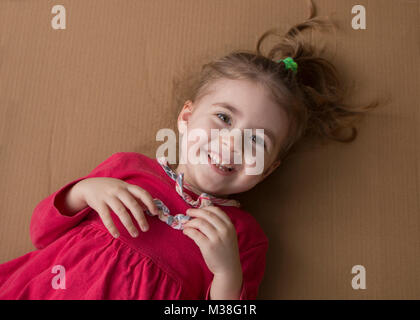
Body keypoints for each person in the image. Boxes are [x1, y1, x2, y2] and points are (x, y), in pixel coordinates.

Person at [0, 0, 378, 300]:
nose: (231, 144)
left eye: (257, 142)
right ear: (186, 117)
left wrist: (227, 273)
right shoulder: (128, 170)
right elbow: (41, 232)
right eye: (224, 119)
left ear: (270, 167)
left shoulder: (243, 238)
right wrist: (86, 190)